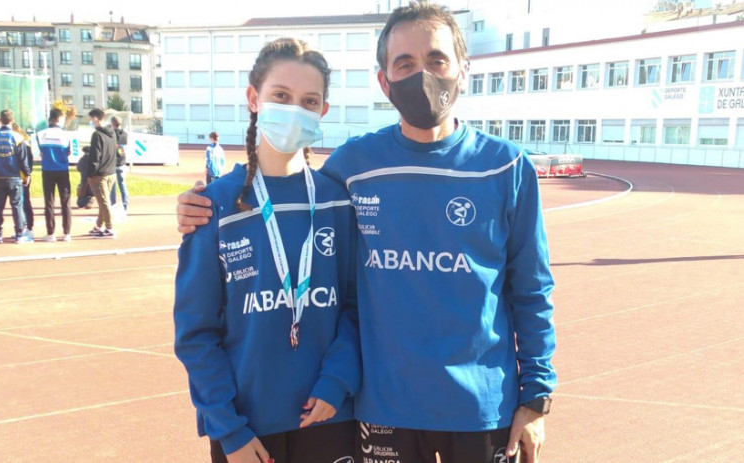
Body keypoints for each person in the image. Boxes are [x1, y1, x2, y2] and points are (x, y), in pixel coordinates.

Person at [177, 3, 557, 463]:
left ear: (463, 69)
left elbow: (532, 291)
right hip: (383, 410)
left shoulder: (507, 166)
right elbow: (279, 187)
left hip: (482, 408)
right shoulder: (354, 170)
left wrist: (535, 398)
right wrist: (203, 203)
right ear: (384, 81)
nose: (423, 75)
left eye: (436, 60)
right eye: (405, 64)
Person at [174, 38, 360, 463]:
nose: (294, 109)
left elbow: (356, 307)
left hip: (330, 417)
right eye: (281, 96)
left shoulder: (336, 202)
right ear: (254, 98)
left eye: (308, 100)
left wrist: (337, 381)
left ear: (323, 112)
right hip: (247, 430)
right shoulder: (213, 206)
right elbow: (196, 334)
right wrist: (228, 429)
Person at [0, 109, 33, 243]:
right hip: (13, 177)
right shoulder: (18, 137)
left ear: (0, 120)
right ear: (12, 120)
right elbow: (23, 159)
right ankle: (19, 234)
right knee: (17, 206)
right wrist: (27, 174)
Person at [36, 108, 73, 242]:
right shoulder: (66, 135)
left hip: (47, 170)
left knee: (49, 202)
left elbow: (40, 152)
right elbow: (69, 153)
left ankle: (51, 233)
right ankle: (67, 233)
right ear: (59, 119)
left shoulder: (40, 134)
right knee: (66, 201)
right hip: (63, 170)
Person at [86, 108, 118, 238]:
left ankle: (109, 228)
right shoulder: (112, 133)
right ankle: (99, 225)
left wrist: (90, 173)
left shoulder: (97, 135)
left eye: (92, 120)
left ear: (96, 119)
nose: (91, 122)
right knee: (102, 201)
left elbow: (95, 156)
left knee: (104, 203)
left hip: (100, 174)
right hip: (111, 171)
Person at [12, 123, 36, 240]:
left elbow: (28, 162)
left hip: (23, 177)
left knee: (24, 201)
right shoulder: (20, 143)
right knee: (18, 203)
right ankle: (21, 227)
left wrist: (27, 174)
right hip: (17, 176)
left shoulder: (24, 144)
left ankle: (29, 228)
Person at [109, 115, 129, 214]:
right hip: (122, 162)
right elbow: (123, 150)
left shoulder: (111, 134)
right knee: (122, 185)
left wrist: (116, 147)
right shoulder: (125, 134)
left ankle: (113, 205)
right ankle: (125, 206)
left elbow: (120, 150)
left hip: (113, 162)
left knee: (113, 186)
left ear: (113, 124)